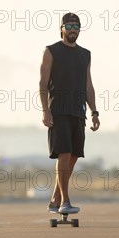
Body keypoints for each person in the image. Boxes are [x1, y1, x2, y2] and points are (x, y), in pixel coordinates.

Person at [39, 12, 100, 214]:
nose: (73, 30)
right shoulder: (51, 51)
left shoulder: (85, 54)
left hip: (78, 112)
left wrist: (94, 112)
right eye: (69, 26)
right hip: (58, 110)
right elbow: (42, 82)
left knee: (74, 155)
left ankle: (56, 198)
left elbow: (88, 85)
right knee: (63, 154)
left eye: (76, 26)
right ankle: (65, 200)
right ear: (62, 29)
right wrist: (45, 110)